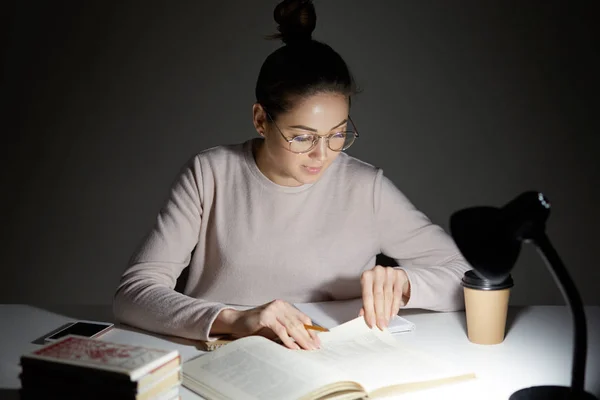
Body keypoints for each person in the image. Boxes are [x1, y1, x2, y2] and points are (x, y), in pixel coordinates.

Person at [113, 0, 471, 351]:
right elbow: (134, 293)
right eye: (302, 137)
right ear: (260, 120)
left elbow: (469, 277)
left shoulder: (365, 188)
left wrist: (406, 283)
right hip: (223, 354)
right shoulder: (211, 173)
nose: (322, 154)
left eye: (337, 134)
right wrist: (236, 320)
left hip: (333, 357)